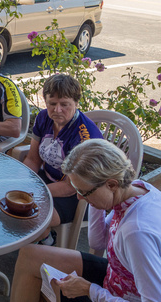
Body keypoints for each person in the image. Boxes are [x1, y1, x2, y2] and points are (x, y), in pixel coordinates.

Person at [6, 139, 161, 302]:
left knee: (36, 286)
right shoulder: (139, 189)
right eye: (77, 190)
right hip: (122, 278)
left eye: (83, 192)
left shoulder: (136, 232)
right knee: (30, 255)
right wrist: (95, 199)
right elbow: (98, 242)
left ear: (111, 184)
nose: (79, 197)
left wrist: (91, 290)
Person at [23, 74, 103, 245]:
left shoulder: (84, 137)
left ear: (76, 103)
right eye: (52, 104)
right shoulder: (44, 117)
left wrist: (33, 193)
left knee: (29, 213)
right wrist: (22, 182)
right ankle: (44, 238)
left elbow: (69, 187)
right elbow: (33, 159)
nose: (57, 110)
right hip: (49, 180)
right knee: (10, 197)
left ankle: (45, 243)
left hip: (79, 195)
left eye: (64, 104)